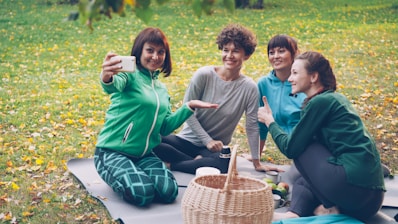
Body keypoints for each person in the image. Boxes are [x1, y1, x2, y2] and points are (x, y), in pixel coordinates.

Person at [95, 27, 218, 207]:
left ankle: (133, 172)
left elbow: (165, 128)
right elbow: (112, 85)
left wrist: (188, 107)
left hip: (144, 154)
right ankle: (120, 173)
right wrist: (106, 76)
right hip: (112, 152)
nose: (155, 56)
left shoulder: (161, 89)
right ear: (139, 50)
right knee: (143, 194)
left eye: (161, 52)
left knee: (169, 192)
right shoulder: (129, 76)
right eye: (150, 50)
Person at [258, 51, 385, 222]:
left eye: (295, 73)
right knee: (302, 180)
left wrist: (270, 121)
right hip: (370, 201)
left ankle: (329, 208)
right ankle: (298, 213)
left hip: (353, 188)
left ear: (313, 77)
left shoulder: (320, 102)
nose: (289, 79)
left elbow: (290, 148)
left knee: (300, 147)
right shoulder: (335, 99)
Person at [153, 23, 270, 173]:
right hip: (185, 141)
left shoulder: (249, 87)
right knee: (151, 141)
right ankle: (194, 163)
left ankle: (173, 165)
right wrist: (207, 140)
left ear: (246, 55)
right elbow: (187, 112)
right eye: (225, 50)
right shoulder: (204, 75)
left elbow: (252, 126)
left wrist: (256, 162)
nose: (229, 56)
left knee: (226, 163)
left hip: (215, 149)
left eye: (236, 51)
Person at [244, 34, 306, 164]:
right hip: (286, 145)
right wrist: (256, 156)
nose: (276, 56)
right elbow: (260, 123)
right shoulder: (263, 84)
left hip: (307, 147)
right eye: (271, 53)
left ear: (294, 54)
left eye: (281, 51)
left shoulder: (304, 83)